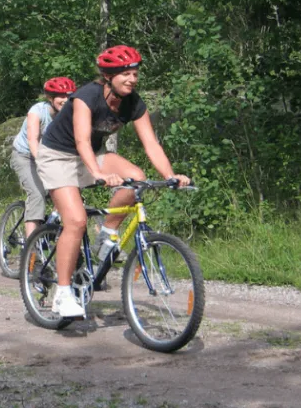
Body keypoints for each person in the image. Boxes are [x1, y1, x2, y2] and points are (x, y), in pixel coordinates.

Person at [36, 46, 190, 317]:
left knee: (137, 179)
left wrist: (170, 175)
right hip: (58, 156)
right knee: (76, 220)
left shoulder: (133, 103)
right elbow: (82, 139)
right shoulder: (87, 96)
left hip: (91, 156)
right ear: (108, 76)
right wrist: (97, 172)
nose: (132, 79)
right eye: (125, 74)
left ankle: (106, 233)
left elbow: (151, 143)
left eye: (134, 73)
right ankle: (62, 294)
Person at [10, 77, 76, 238]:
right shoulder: (37, 111)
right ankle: (31, 250)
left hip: (52, 157)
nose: (65, 100)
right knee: (37, 195)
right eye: (60, 96)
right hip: (25, 156)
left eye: (69, 96)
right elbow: (33, 140)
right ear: (50, 98)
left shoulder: (72, 114)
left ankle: (52, 226)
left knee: (71, 193)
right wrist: (43, 164)